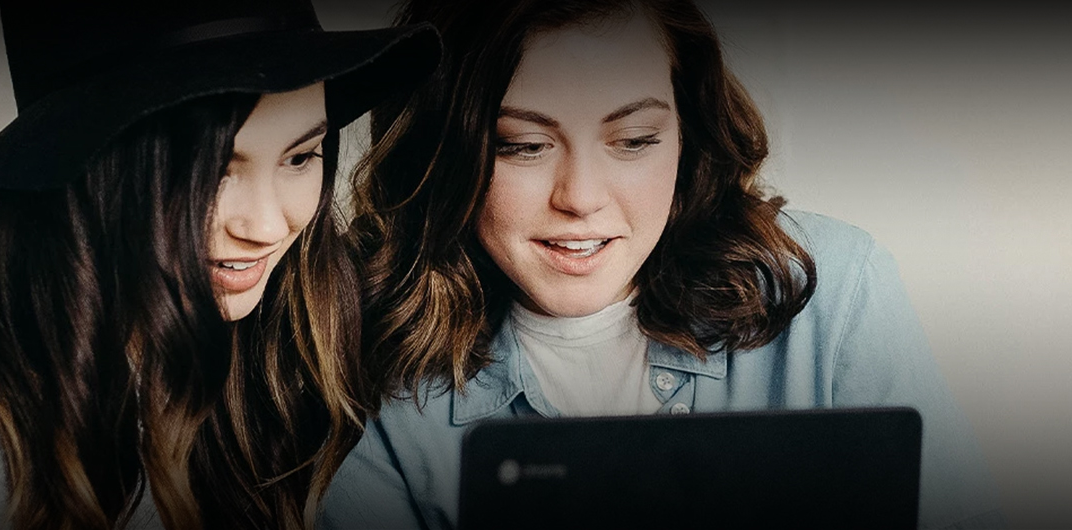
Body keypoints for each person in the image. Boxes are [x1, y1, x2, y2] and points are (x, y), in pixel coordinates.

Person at [0, 0, 439, 528]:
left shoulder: (295, 340)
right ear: (94, 169)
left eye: (300, 157)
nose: (264, 225)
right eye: (213, 173)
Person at [320, 1, 1003, 528]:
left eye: (634, 139)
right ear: (447, 155)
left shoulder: (833, 286)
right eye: (524, 146)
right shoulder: (360, 343)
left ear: (687, 137)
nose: (581, 198)